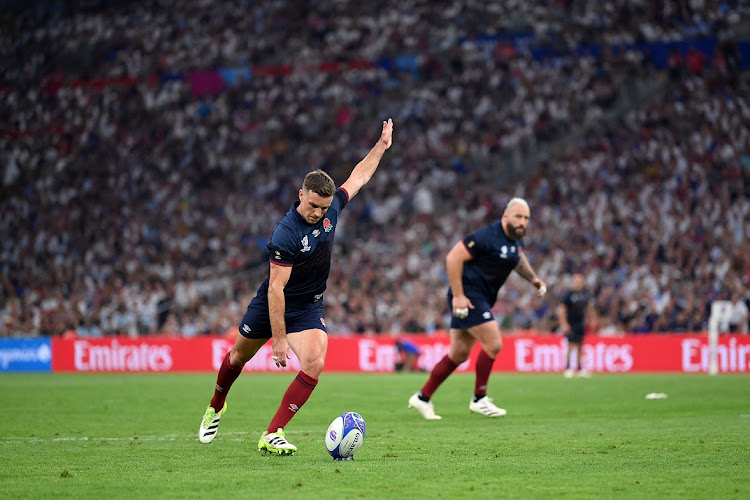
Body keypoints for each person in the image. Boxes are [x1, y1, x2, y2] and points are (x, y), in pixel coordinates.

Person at [199, 118, 394, 454]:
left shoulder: (332, 206)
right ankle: (216, 405)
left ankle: (272, 432)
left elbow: (358, 176)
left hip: (308, 306)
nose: (318, 212)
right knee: (237, 357)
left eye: (323, 206)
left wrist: (381, 147)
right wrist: (278, 340)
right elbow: (276, 290)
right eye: (312, 205)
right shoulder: (285, 234)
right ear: (300, 194)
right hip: (274, 304)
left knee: (316, 362)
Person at [408, 198, 547, 420]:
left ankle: (422, 397)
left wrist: (534, 280)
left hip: (479, 298)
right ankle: (479, 399)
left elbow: (517, 258)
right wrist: (459, 296)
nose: (523, 222)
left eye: (526, 218)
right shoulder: (487, 236)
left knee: (459, 353)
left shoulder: (514, 241)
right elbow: (453, 257)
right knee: (494, 343)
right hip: (469, 296)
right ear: (505, 216)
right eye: (518, 217)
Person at [558, 273, 595, 378]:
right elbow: (562, 310)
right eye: (576, 282)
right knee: (570, 346)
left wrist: (592, 320)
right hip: (571, 324)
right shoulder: (568, 296)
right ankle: (568, 368)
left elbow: (588, 308)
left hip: (580, 324)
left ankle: (580, 368)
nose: (578, 284)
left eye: (580, 282)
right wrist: (564, 324)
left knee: (580, 346)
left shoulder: (584, 295)